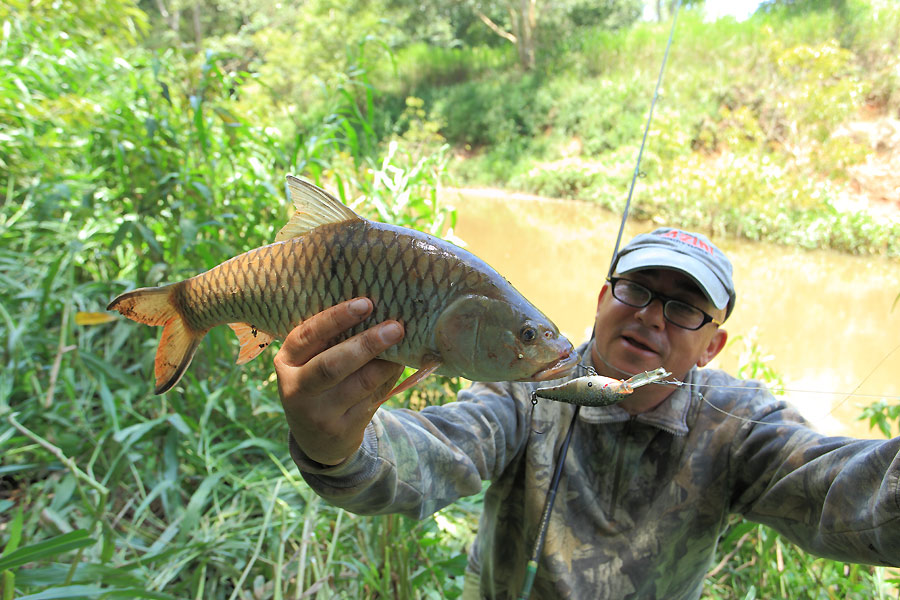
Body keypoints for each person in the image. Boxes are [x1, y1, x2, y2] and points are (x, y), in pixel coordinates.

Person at [274, 227, 900, 600]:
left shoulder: (740, 427)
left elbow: (844, 492)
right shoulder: (525, 385)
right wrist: (338, 443)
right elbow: (436, 452)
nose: (652, 315)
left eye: (685, 308)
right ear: (603, 299)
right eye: (637, 290)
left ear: (713, 345)